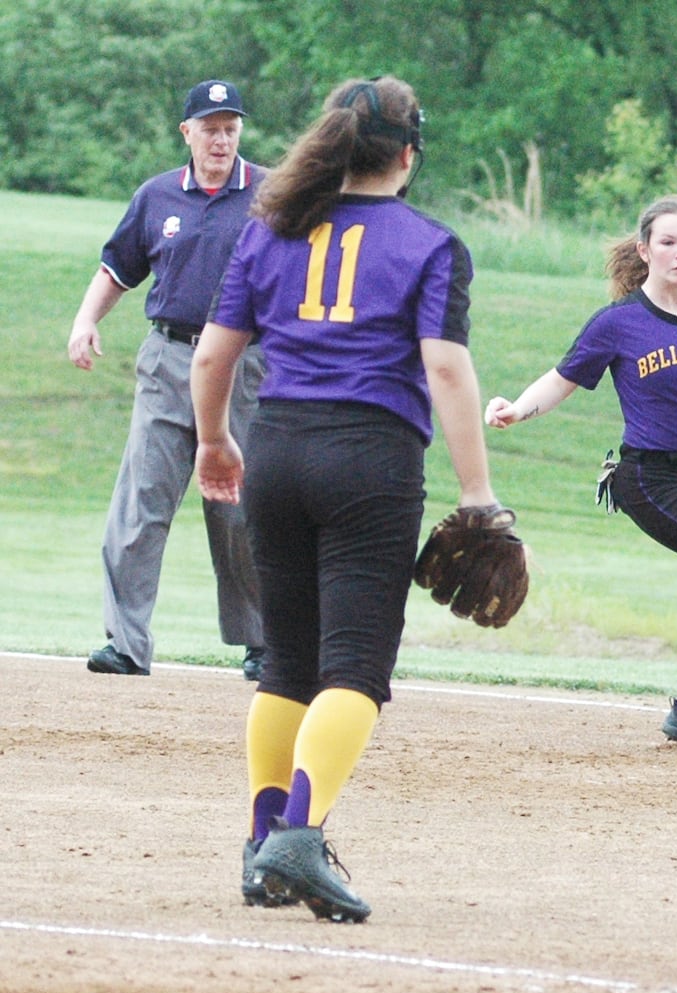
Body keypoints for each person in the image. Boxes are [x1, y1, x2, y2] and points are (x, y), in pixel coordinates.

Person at [191, 75, 500, 922]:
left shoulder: (272, 229)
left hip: (278, 451)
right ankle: (299, 836)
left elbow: (213, 358)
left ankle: (264, 846)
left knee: (286, 662)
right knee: (355, 668)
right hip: (369, 462)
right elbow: (445, 368)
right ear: (408, 155)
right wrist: (479, 495)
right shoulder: (432, 243)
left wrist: (215, 441)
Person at [486, 194, 677, 752]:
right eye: (668, 242)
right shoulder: (619, 324)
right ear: (645, 249)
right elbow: (562, 379)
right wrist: (515, 409)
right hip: (651, 479)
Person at [67, 80, 267, 681]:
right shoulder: (157, 196)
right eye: (210, 127)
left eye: (231, 128)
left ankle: (263, 643)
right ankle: (126, 644)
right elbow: (117, 268)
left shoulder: (271, 194)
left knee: (238, 507)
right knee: (141, 501)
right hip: (168, 356)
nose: (221, 139)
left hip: (242, 365)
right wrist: (85, 320)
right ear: (187, 133)